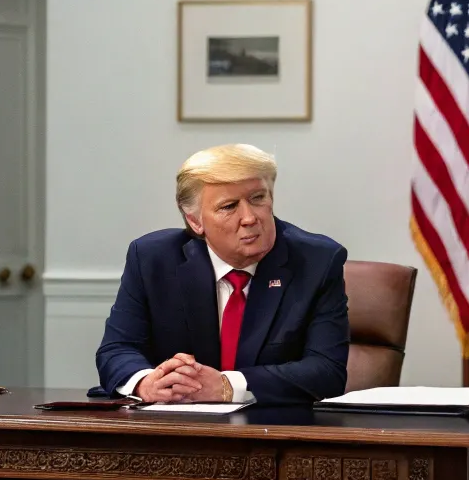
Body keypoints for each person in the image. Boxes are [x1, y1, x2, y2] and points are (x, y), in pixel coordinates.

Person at [94, 144, 350, 405]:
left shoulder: (316, 261)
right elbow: (117, 349)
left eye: (258, 198)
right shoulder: (153, 259)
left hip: (272, 430)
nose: (249, 217)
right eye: (229, 206)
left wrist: (228, 386)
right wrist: (147, 382)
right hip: (173, 426)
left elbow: (327, 371)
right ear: (195, 221)